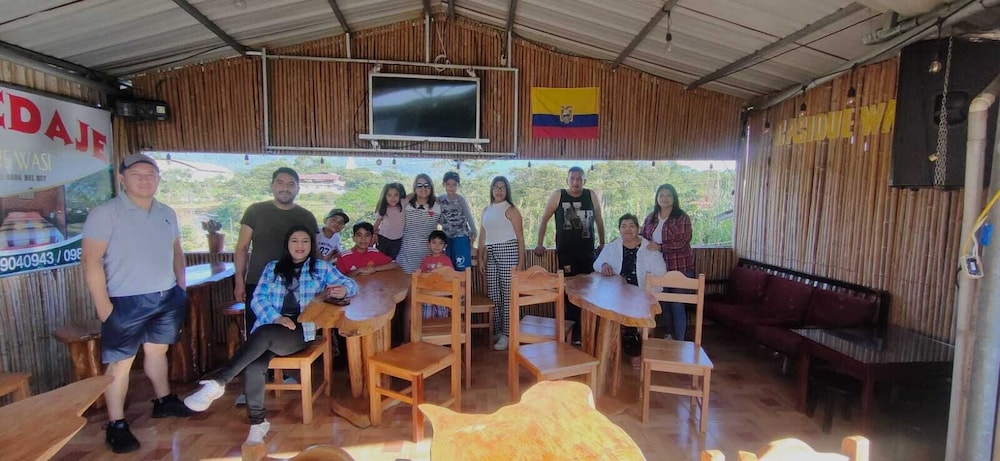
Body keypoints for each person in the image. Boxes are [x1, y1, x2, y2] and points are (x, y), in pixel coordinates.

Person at [184, 225, 358, 444]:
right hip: (271, 324)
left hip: (300, 330)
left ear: (311, 245)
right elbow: (258, 298)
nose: (300, 246)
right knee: (254, 365)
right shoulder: (273, 267)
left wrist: (344, 289)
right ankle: (258, 423)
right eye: (295, 241)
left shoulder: (321, 268)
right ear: (287, 244)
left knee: (264, 334)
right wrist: (276, 318)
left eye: (305, 241)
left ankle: (219, 381)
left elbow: (351, 284)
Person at [81, 153, 192, 454]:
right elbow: (90, 260)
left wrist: (180, 287)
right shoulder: (106, 213)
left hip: (166, 296)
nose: (145, 179)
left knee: (158, 350)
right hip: (124, 299)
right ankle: (116, 423)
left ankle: (164, 401)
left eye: (151, 174)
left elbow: (177, 251)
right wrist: (104, 307)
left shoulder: (167, 212)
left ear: (158, 179)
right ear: (122, 178)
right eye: (137, 174)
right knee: (121, 362)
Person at [234, 167, 319, 330]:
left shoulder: (306, 216)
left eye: (291, 184)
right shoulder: (255, 211)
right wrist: (239, 281)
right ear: (272, 186)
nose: (285, 188)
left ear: (298, 189)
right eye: (280, 183)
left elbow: (314, 252)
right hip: (258, 282)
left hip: (297, 286)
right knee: (257, 332)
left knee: (295, 333)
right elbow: (242, 247)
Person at [533, 166, 605, 342]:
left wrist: (603, 243)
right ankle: (574, 332)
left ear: (584, 181)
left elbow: (599, 220)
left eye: (579, 179)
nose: (575, 182)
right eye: (572, 178)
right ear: (567, 180)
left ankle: (588, 331)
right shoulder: (558, 195)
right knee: (570, 293)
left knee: (589, 291)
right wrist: (539, 243)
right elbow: (544, 219)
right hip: (566, 253)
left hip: (588, 253)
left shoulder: (590, 195)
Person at [594, 213, 667, 367]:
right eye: (624, 226)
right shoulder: (613, 246)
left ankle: (634, 351)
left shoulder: (649, 248)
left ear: (638, 229)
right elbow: (597, 263)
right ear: (619, 229)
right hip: (617, 293)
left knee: (634, 316)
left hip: (642, 293)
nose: (628, 229)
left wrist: (647, 288)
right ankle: (619, 350)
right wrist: (604, 265)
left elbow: (661, 272)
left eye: (632, 226)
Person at [640, 184, 695, 341]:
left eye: (669, 195)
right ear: (657, 198)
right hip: (658, 267)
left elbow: (683, 242)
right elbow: (643, 237)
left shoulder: (682, 217)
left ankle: (680, 340)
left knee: (677, 304)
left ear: (674, 198)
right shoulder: (650, 218)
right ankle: (670, 335)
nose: (665, 198)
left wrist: (660, 247)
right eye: (662, 195)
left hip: (680, 267)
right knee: (664, 304)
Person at [477, 176, 524, 351]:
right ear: (491, 189)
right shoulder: (486, 210)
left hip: (509, 251)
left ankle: (508, 333)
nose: (499, 190)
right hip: (491, 253)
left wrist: (520, 264)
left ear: (507, 190)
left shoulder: (511, 210)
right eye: (496, 187)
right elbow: (483, 236)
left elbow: (520, 238)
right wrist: (480, 257)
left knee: (508, 295)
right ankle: (497, 330)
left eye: (502, 187)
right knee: (494, 294)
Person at [396, 174, 442, 274]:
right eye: (419, 185)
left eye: (426, 185)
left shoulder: (438, 206)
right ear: (415, 187)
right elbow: (388, 210)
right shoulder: (406, 204)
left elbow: (448, 225)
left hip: (428, 257)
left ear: (431, 187)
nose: (423, 188)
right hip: (406, 256)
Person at [437, 171, 477, 271]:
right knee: (449, 266)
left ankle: (465, 281)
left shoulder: (460, 199)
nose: (451, 187)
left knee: (461, 264)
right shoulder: (439, 200)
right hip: (447, 237)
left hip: (461, 236)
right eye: (448, 184)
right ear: (444, 184)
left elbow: (468, 215)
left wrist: (474, 230)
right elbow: (436, 216)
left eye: (454, 184)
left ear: (458, 186)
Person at [421, 230, 455, 319]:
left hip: (442, 293)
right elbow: (422, 276)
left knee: (442, 317)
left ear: (445, 246)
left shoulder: (446, 260)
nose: (437, 246)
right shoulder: (425, 260)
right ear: (428, 244)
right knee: (426, 317)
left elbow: (450, 276)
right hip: (428, 293)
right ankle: (427, 326)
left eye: (440, 243)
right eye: (434, 242)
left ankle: (443, 326)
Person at [373, 182, 407, 259]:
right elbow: (376, 224)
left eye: (396, 195)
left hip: (397, 240)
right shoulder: (383, 208)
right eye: (389, 195)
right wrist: (373, 234)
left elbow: (413, 194)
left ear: (400, 195)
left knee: (392, 260)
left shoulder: (403, 203)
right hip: (383, 238)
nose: (393, 198)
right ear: (385, 196)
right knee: (380, 259)